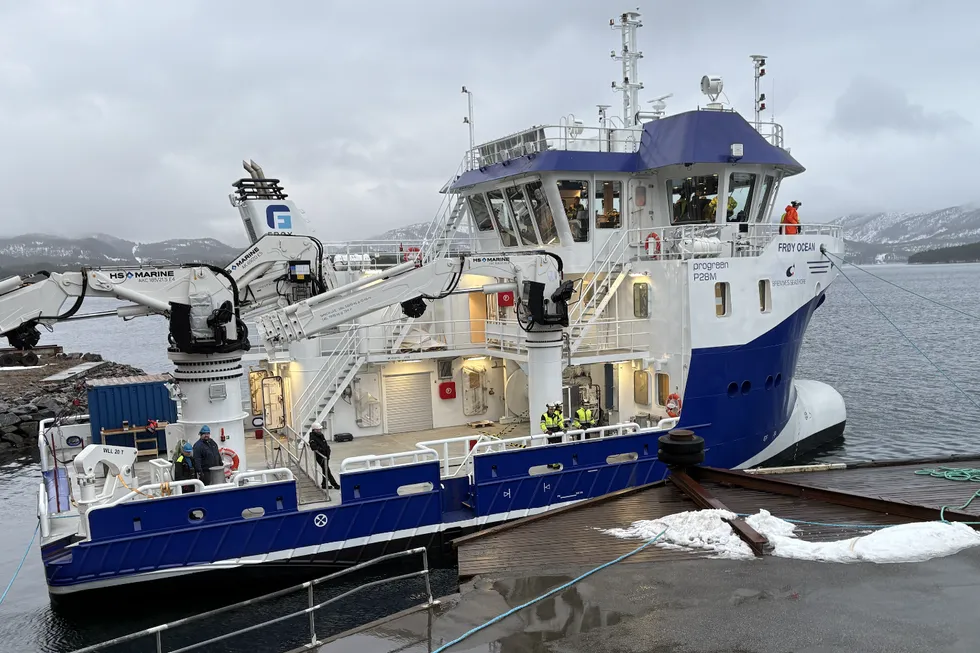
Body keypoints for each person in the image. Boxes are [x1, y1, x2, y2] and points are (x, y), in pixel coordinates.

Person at [308, 422, 340, 490]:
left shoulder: (321, 435)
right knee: (327, 471)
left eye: (320, 429)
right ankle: (335, 484)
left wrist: (328, 451)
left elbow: (325, 444)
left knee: (325, 470)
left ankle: (324, 484)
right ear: (314, 430)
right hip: (321, 458)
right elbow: (314, 447)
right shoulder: (312, 438)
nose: (320, 430)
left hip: (326, 456)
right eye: (318, 429)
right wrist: (322, 451)